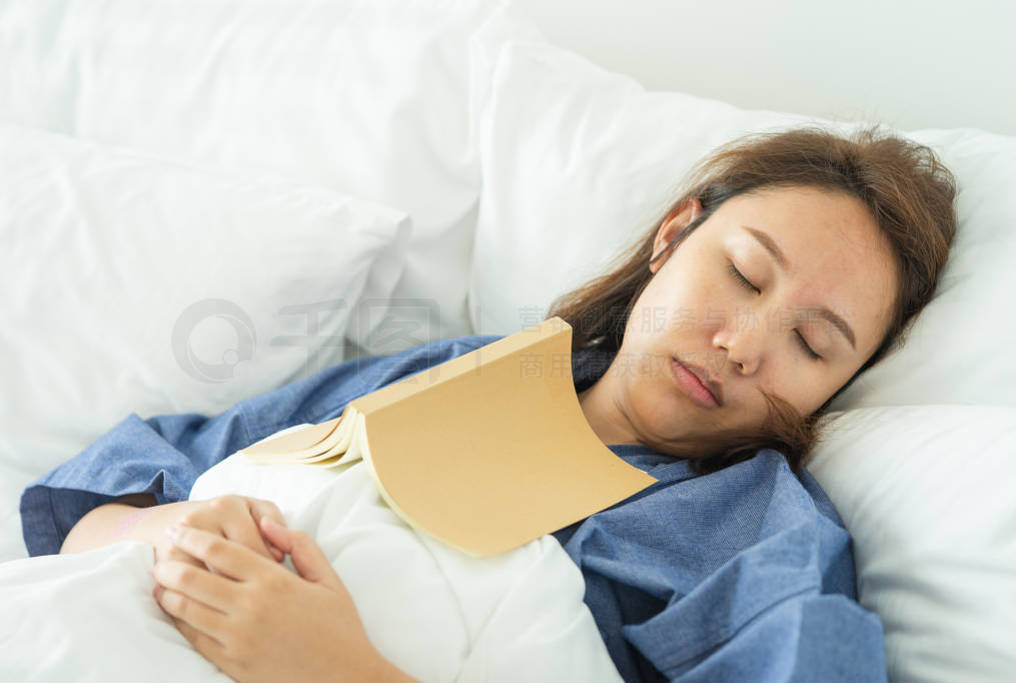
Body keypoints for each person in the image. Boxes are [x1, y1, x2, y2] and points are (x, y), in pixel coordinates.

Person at [20, 123, 959, 682]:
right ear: (677, 234)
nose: (743, 346)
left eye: (811, 344)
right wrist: (184, 542)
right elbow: (96, 502)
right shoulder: (472, 371)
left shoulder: (763, 548)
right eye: (745, 274)